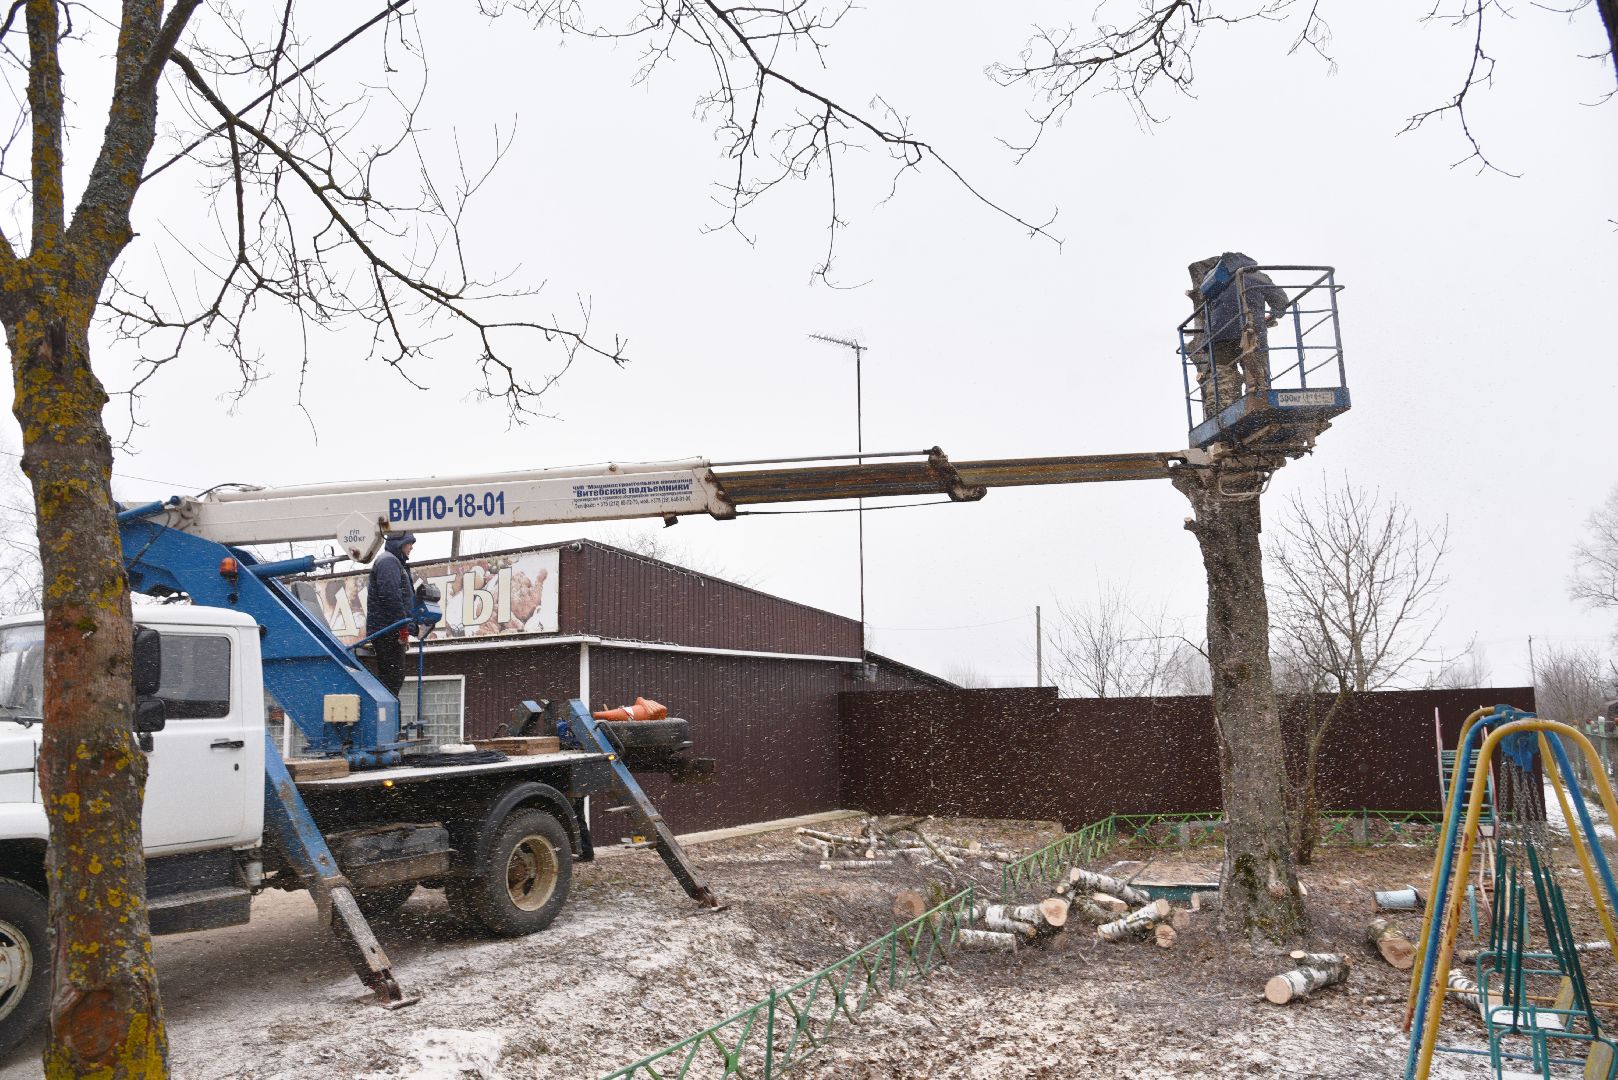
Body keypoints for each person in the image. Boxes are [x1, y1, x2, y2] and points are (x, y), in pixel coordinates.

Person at [1197, 252, 1291, 413]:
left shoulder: (1216, 281)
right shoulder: (1256, 276)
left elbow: (1208, 311)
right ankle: (1258, 400)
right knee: (1255, 372)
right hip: (1249, 331)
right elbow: (1281, 302)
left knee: (1222, 375)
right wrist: (1273, 315)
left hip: (1218, 335)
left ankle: (1218, 407)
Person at [366, 531, 417, 698]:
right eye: (409, 543)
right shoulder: (388, 562)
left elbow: (397, 597)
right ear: (400, 543)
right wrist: (403, 627)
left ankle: (390, 711)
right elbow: (391, 596)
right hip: (387, 631)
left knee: (394, 678)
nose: (411, 547)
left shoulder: (393, 562)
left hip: (389, 629)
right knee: (392, 679)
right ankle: (388, 712)